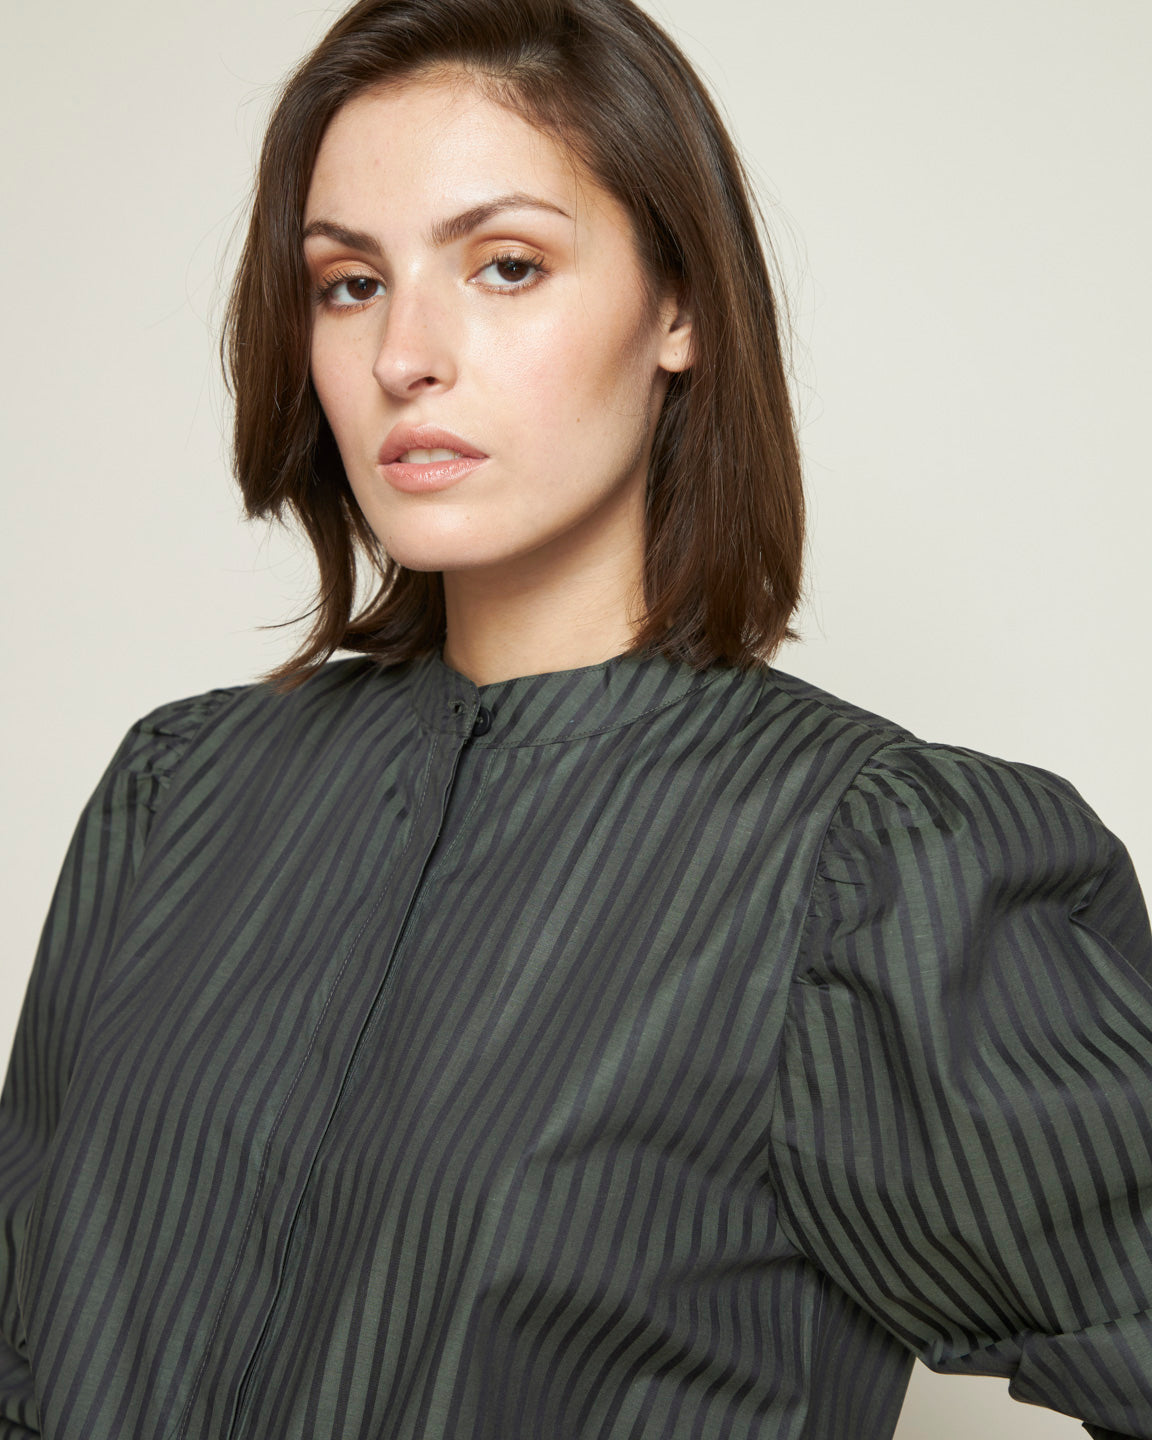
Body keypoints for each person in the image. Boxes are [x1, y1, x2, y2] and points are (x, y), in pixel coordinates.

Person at [1, 0, 1150, 1436]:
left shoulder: (876, 870)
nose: (405, 354)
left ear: (678, 309)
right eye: (349, 283)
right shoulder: (183, 791)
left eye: (506, 265)